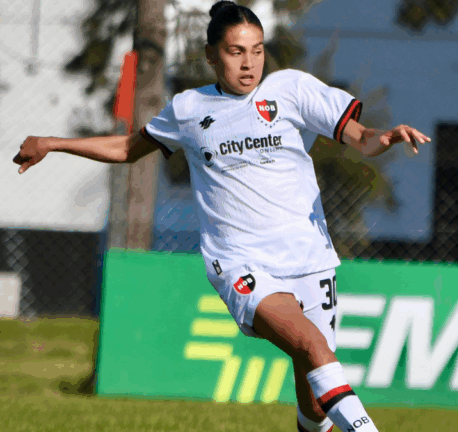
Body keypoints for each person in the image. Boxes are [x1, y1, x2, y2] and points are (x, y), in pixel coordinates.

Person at [13, 2, 431, 431]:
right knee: (310, 344)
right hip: (241, 262)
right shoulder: (189, 109)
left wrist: (386, 136)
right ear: (211, 55)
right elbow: (125, 149)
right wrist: (54, 142)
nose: (248, 63)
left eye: (257, 50)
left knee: (317, 401)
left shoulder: (290, 90)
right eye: (235, 52)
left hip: (310, 258)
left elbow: (360, 137)